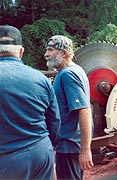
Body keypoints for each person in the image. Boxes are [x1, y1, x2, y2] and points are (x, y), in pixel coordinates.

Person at [0, 25, 61, 179]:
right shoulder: (41, 78)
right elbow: (54, 123)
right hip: (40, 152)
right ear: (21, 52)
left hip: (6, 159)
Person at [44, 35, 94, 179]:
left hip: (69, 145)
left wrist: (85, 150)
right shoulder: (75, 70)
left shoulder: (68, 75)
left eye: (50, 50)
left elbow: (84, 110)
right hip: (69, 144)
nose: (46, 54)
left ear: (64, 53)